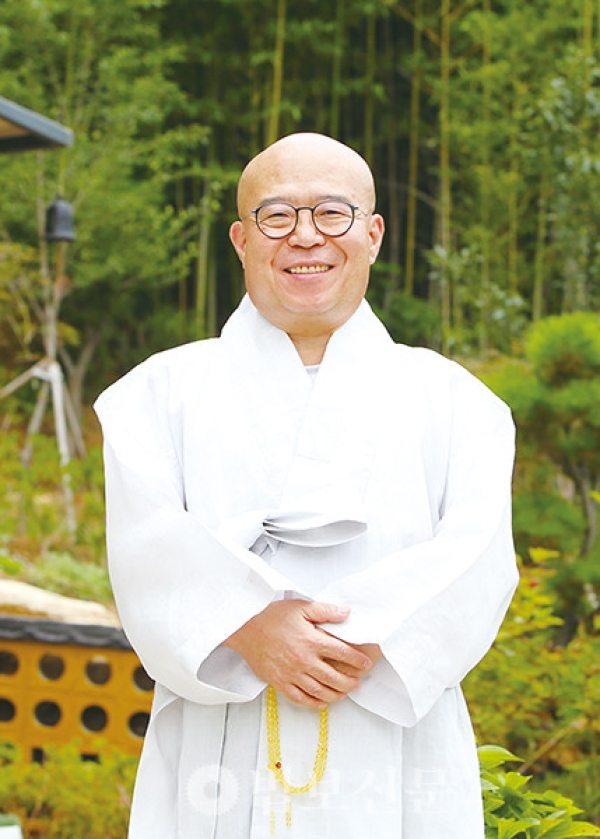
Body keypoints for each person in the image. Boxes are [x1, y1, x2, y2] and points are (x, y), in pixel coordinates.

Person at [94, 132, 518, 839]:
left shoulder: (459, 402)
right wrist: (250, 626)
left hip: (391, 726)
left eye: (331, 212)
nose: (305, 236)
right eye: (277, 215)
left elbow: (478, 560)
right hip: (222, 728)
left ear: (373, 235)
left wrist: (351, 642)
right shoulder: (155, 395)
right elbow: (148, 548)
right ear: (241, 239)